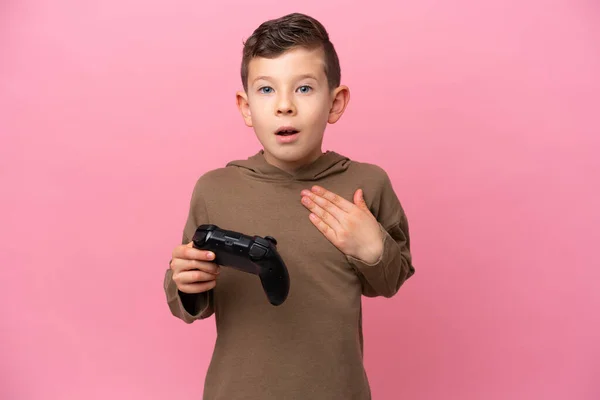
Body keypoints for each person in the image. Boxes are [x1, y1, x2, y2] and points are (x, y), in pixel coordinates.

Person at [163, 12, 415, 400]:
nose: (284, 106)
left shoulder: (367, 184)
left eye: (304, 89)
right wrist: (186, 282)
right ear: (245, 106)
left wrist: (372, 247)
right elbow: (190, 304)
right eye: (266, 90)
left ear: (336, 101)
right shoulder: (215, 190)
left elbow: (390, 280)